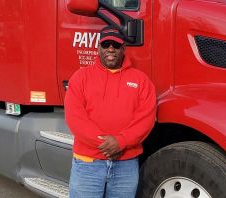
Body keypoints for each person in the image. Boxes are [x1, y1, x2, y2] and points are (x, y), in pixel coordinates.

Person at [65, 25, 157, 198]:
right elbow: (75, 117)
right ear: (98, 48)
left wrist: (121, 142)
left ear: (123, 49)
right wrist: (106, 144)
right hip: (88, 164)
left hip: (126, 165)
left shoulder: (141, 80)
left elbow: (146, 119)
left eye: (115, 45)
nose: (110, 49)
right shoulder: (81, 77)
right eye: (106, 44)